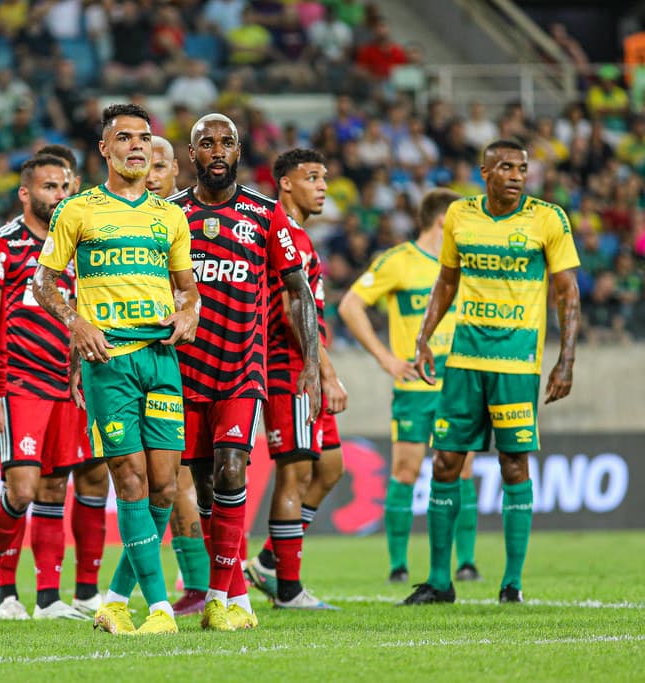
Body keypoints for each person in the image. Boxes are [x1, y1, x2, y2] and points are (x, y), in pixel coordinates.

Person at [32, 103, 200, 635]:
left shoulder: (170, 215)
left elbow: (187, 289)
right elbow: (43, 282)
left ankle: (113, 600)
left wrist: (189, 312)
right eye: (124, 137)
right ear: (104, 148)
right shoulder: (77, 211)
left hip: (162, 358)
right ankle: (159, 610)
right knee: (129, 482)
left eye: (144, 138)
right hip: (110, 363)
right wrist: (76, 324)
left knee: (164, 487)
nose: (136, 146)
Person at [402, 139, 580, 605]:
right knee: (444, 461)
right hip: (463, 361)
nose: (517, 174)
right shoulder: (461, 215)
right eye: (505, 167)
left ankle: (512, 583)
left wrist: (567, 358)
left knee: (513, 463)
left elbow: (568, 293)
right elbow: (447, 281)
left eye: (522, 167)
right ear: (485, 172)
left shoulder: (548, 218)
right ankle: (440, 581)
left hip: (518, 364)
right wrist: (424, 337)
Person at [169, 114, 322, 630]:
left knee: (234, 470)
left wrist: (314, 366)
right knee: (207, 487)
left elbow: (298, 291)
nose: (216, 150)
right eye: (206, 143)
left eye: (226, 143)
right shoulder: (168, 216)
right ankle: (233, 592)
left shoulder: (265, 213)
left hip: (241, 370)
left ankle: (221, 596)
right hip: (182, 375)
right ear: (192, 154)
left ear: (238, 151)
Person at [0, 154, 107, 622]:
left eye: (65, 187)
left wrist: (79, 373)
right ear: (26, 194)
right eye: (50, 187)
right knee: (23, 489)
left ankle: (48, 599)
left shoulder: (75, 249)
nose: (60, 196)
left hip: (65, 386)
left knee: (53, 487)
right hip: (20, 385)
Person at [339, 188, 484, 584]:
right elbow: (350, 305)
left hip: (458, 384)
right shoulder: (398, 262)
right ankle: (398, 566)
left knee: (464, 470)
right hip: (415, 388)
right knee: (405, 471)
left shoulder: (466, 264)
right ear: (443, 221)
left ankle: (466, 563)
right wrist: (386, 359)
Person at [244, 149, 348, 609]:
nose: (322, 185)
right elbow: (290, 309)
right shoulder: (280, 232)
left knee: (330, 468)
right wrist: (325, 370)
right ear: (285, 184)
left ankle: (268, 560)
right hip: (290, 367)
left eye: (324, 177)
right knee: (295, 469)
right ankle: (288, 588)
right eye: (311, 177)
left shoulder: (301, 236)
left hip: (305, 364)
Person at [143, 135, 210, 617]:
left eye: (160, 165)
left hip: (199, 363)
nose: (150, 173)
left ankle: (205, 580)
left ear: (176, 173)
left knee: (191, 474)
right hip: (142, 360)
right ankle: (198, 579)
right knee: (166, 475)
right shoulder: (124, 221)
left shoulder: (188, 223)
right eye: (144, 163)